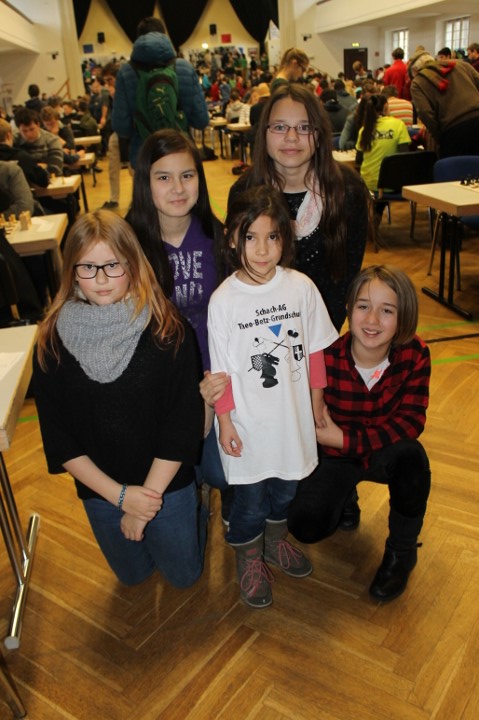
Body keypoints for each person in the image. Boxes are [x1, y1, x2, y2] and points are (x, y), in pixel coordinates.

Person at [33, 211, 206, 588]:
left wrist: (143, 506)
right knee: (133, 577)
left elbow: (181, 428)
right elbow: (59, 439)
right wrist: (123, 498)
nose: (100, 279)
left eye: (112, 265)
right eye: (87, 267)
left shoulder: (169, 330)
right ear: (71, 270)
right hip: (101, 491)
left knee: (184, 577)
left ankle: (197, 507)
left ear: (132, 264)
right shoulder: (51, 342)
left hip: (166, 485)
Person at [207, 186, 338, 608]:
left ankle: (274, 541)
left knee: (285, 490)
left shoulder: (301, 287)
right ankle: (248, 555)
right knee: (249, 502)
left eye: (272, 237)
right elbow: (221, 374)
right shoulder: (223, 301)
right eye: (251, 237)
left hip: (292, 423)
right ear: (233, 238)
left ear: (286, 238)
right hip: (247, 428)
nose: (262, 250)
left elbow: (314, 350)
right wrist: (225, 422)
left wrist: (317, 401)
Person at [288, 265, 431, 603]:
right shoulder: (326, 358)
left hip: (383, 451)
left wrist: (345, 440)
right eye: (363, 306)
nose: (372, 320)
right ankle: (345, 497)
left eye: (387, 310)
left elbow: (411, 421)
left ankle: (402, 552)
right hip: (336, 456)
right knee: (306, 525)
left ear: (404, 316)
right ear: (349, 308)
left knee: (412, 459)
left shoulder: (415, 354)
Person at [126, 129, 232, 521]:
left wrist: (211, 396)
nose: (178, 188)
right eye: (163, 177)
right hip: (159, 386)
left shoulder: (217, 235)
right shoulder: (127, 244)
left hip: (213, 377)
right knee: (181, 472)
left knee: (221, 473)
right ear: (145, 182)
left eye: (187, 175)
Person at [228, 82, 370, 333]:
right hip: (261, 330)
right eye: (280, 127)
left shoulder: (348, 190)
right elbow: (241, 274)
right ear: (264, 132)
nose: (292, 137)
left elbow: (347, 277)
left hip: (324, 329)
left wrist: (321, 334)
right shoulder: (244, 191)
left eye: (304, 127)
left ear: (319, 134)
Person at [112, 16, 209, 170]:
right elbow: (201, 120)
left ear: (138, 39)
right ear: (164, 35)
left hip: (144, 158)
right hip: (182, 153)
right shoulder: (184, 67)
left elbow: (121, 127)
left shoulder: (126, 72)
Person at [408, 49, 479, 157]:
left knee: (457, 167)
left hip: (454, 131)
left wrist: (440, 136)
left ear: (415, 70)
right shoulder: (461, 64)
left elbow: (425, 113)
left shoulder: (417, 82)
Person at [355, 94, 410, 202]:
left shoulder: (364, 130)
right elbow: (405, 157)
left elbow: (358, 161)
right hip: (393, 184)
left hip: (368, 184)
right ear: (386, 107)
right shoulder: (398, 125)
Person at [14, 107, 63, 177]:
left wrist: (27, 169)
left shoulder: (52, 140)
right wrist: (40, 167)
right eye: (24, 131)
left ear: (38, 125)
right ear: (18, 129)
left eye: (32, 129)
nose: (29, 134)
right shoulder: (14, 141)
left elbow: (56, 170)